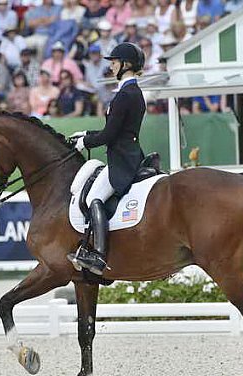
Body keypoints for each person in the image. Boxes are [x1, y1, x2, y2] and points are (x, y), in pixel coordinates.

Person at [67, 42, 146, 275]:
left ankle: (99, 256)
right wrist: (87, 134)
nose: (111, 66)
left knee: (94, 198)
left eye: (114, 62)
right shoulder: (131, 92)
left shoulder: (125, 95)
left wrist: (85, 142)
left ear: (126, 65)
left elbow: (111, 134)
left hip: (122, 159)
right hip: (128, 152)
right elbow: (114, 130)